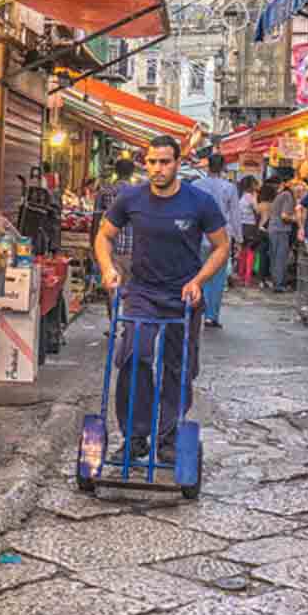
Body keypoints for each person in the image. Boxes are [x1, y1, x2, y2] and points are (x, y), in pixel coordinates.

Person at [94, 135, 230, 461]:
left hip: (184, 295)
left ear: (177, 164)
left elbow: (222, 246)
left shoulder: (199, 201)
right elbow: (104, 235)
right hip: (142, 292)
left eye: (165, 162)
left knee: (178, 368)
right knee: (134, 356)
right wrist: (108, 268)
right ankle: (135, 437)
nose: (158, 168)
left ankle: (168, 439)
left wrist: (199, 281)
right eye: (152, 162)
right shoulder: (131, 198)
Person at [191, 154, 241, 329]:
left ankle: (197, 309)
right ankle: (211, 316)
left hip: (199, 236)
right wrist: (239, 238)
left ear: (208, 166)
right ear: (222, 168)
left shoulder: (196, 185)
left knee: (199, 274)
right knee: (217, 277)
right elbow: (235, 214)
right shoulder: (229, 188)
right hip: (222, 237)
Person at [94, 158, 136, 295]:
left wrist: (93, 246)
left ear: (115, 172)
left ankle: (113, 308)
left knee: (112, 289)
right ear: (132, 173)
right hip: (133, 250)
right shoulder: (138, 193)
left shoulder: (104, 191)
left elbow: (96, 219)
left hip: (110, 249)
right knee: (130, 293)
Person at [265, 172, 299, 293]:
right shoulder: (287, 195)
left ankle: (276, 281)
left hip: (273, 228)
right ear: (286, 184)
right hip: (281, 229)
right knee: (280, 257)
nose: (297, 186)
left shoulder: (279, 195)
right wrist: (297, 219)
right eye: (294, 183)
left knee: (275, 256)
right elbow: (284, 216)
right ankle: (279, 284)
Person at [235, 176, 260, 284]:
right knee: (250, 252)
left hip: (241, 225)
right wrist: (256, 198)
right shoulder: (250, 196)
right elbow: (257, 210)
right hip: (250, 226)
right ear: (251, 185)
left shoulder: (240, 196)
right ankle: (247, 277)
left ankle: (241, 275)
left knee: (242, 251)